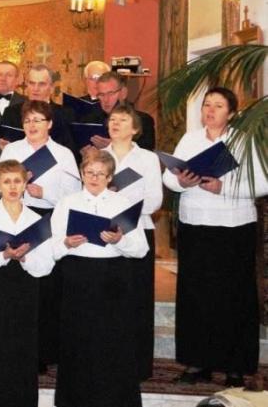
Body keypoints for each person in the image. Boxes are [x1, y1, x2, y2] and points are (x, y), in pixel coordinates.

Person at [163, 87, 267, 387]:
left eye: (218, 106)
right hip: (196, 225)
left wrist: (224, 188)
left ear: (231, 113)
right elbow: (169, 177)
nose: (209, 110)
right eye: (206, 105)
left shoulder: (243, 140)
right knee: (196, 295)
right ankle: (197, 363)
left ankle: (235, 367)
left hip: (234, 228)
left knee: (234, 296)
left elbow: (262, 182)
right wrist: (182, 181)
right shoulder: (190, 139)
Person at [51, 150, 148, 407]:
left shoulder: (122, 203)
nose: (94, 178)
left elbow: (141, 249)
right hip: (78, 277)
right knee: (77, 341)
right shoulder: (67, 203)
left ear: (110, 177)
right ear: (82, 174)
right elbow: (52, 248)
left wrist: (120, 240)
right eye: (89, 173)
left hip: (112, 278)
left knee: (112, 341)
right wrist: (66, 243)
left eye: (100, 174)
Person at [0, 100, 80, 371]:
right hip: (15, 217)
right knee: (16, 284)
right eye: (27, 120)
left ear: (50, 124)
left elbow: (73, 195)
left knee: (44, 286)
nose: (32, 125)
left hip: (48, 218)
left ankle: (42, 353)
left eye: (38, 120)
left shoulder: (63, 154)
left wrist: (43, 192)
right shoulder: (12, 150)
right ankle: (14, 347)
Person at [0, 160, 55, 407]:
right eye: (6, 182)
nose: (12, 187)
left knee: (22, 348)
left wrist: (25, 257)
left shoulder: (36, 220)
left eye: (17, 181)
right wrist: (5, 255)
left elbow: (46, 265)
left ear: (25, 184)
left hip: (25, 289)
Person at [102, 102, 162, 381]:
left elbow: (154, 200)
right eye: (112, 119)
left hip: (138, 230)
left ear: (135, 129)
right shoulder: (98, 157)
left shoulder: (147, 159)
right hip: (105, 233)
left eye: (123, 120)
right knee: (109, 300)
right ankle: (109, 360)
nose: (115, 124)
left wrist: (118, 201)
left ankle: (137, 365)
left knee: (138, 299)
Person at [0, 64, 75, 156]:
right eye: (32, 83)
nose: (35, 89)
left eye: (41, 84)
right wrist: (3, 148)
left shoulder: (66, 114)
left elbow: (71, 149)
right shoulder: (11, 112)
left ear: (51, 88)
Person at [79, 72, 156, 151]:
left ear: (123, 93)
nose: (106, 100)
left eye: (111, 94)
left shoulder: (142, 120)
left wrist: (115, 146)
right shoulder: (89, 120)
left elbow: (146, 153)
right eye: (101, 95)